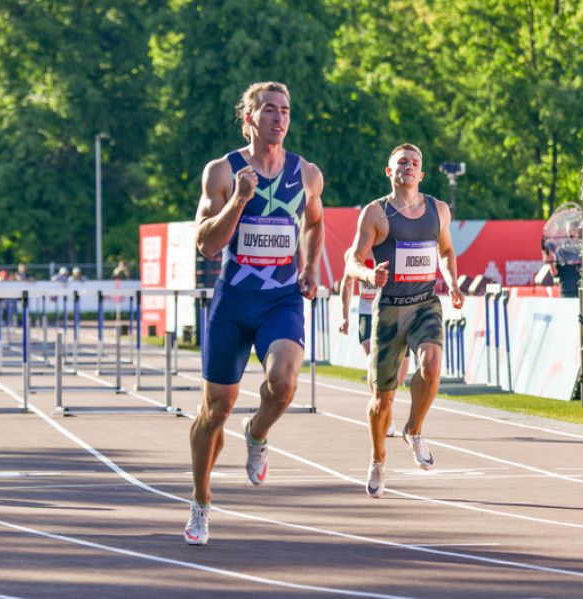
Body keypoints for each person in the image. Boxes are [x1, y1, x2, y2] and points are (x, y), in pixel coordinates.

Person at [184, 81, 324, 545]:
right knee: (214, 411)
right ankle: (201, 502)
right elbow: (206, 245)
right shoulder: (222, 172)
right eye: (268, 110)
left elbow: (316, 223)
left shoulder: (306, 174)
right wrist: (241, 200)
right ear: (250, 118)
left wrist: (309, 266)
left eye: (285, 110)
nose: (278, 118)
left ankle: (258, 432)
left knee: (284, 384)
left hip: (281, 299)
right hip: (234, 301)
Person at [345, 143, 463, 500]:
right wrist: (368, 277)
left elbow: (446, 251)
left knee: (432, 366)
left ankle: (414, 429)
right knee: (382, 399)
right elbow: (352, 260)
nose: (408, 167)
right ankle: (378, 459)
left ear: (421, 173)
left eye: (414, 163)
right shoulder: (376, 214)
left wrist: (454, 282)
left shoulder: (437, 209)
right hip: (390, 309)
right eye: (401, 162)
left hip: (426, 303)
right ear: (389, 171)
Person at [339, 246, 410, 437]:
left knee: (399, 376)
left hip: (395, 312)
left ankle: (385, 405)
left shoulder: (394, 248)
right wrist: (345, 317)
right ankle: (383, 413)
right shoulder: (354, 254)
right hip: (367, 312)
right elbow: (346, 283)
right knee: (374, 360)